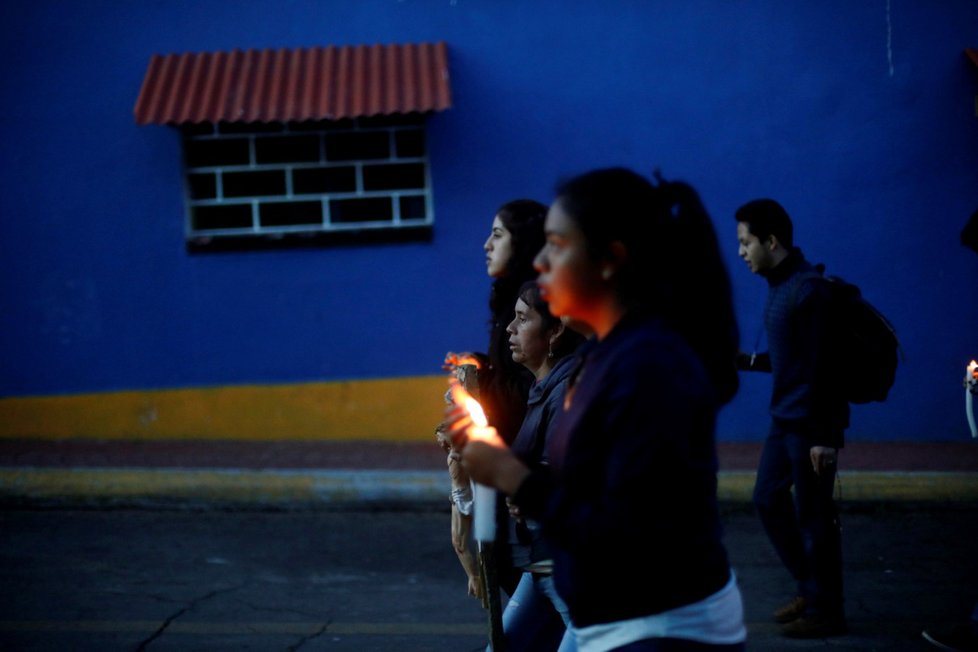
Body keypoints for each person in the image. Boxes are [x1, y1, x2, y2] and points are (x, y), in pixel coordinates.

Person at [449, 167, 747, 651]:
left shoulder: (649, 368)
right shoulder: (601, 354)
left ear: (611, 259)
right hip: (611, 620)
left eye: (558, 245)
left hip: (659, 629)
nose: (540, 262)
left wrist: (512, 476)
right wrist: (492, 451)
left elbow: (628, 531)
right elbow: (588, 483)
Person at [733, 198, 848, 638]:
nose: (742, 252)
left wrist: (825, 436)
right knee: (767, 498)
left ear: (772, 241)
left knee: (815, 517)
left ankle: (827, 610)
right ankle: (810, 586)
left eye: (746, 243)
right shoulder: (779, 286)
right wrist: (747, 360)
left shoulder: (810, 290)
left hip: (809, 425)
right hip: (784, 421)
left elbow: (826, 368)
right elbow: (793, 360)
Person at [437, 199, 547, 603]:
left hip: (523, 471)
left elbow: (530, 390)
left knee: (525, 585)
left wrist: (476, 389)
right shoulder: (510, 302)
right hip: (502, 474)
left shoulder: (537, 304)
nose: (486, 245)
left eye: (498, 235)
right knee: (492, 562)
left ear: (524, 244)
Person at [495, 280, 586, 651]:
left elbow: (559, 478)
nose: (510, 329)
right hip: (541, 562)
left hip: (563, 561)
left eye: (522, 319)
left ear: (555, 330)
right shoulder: (544, 385)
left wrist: (520, 487)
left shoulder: (565, 389)